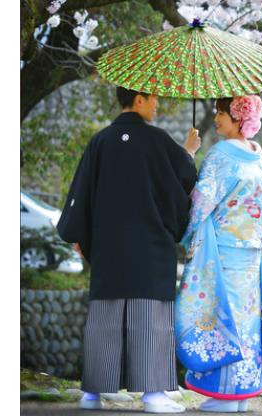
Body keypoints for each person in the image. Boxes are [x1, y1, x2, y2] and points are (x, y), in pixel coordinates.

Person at [56, 87, 201, 413]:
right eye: (153, 98)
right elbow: (184, 180)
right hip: (149, 247)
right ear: (138, 100)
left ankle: (92, 393)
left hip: (109, 246)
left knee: (104, 318)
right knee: (150, 317)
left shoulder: (101, 141)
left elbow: (82, 191)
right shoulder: (158, 140)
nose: (157, 104)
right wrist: (189, 152)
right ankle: (152, 395)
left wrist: (79, 233)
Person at [175, 95, 262, 413]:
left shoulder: (221, 153)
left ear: (237, 117)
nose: (217, 118)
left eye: (221, 113)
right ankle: (242, 392)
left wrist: (182, 229)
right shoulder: (256, 154)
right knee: (245, 318)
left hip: (223, 249)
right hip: (251, 250)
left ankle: (225, 392)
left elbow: (202, 202)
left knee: (222, 313)